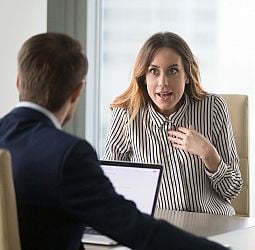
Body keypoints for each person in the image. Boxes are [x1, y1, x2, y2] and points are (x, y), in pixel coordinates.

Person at [0, 32, 228, 250]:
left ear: (19, 82)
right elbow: (134, 229)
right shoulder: (69, 154)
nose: (162, 82)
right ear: (77, 92)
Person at [103, 32, 242, 216]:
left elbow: (231, 190)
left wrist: (207, 153)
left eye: (173, 71)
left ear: (187, 75)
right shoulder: (126, 115)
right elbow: (108, 190)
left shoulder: (213, 107)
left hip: (212, 225)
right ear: (144, 77)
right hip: (158, 229)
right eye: (154, 71)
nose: (163, 82)